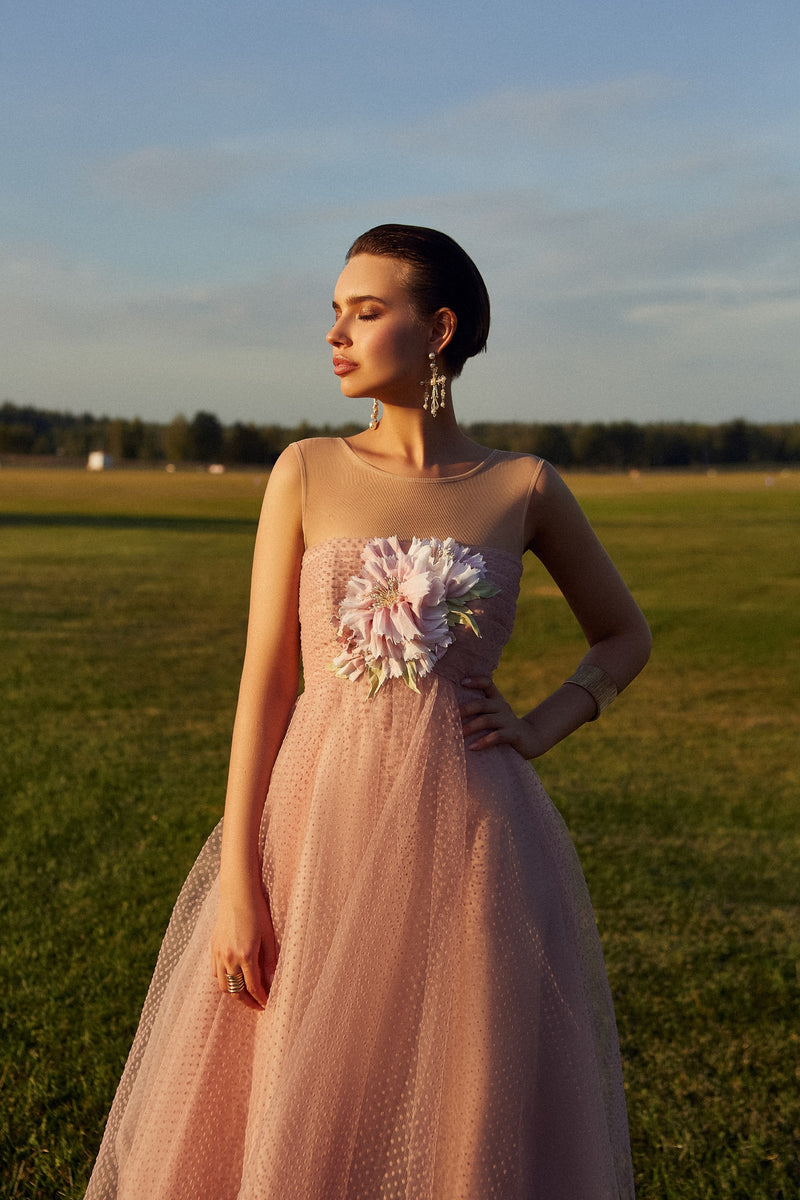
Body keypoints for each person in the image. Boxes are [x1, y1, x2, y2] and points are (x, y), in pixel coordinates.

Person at [85, 224, 651, 1199]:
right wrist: (239, 883)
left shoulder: (521, 489)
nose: (334, 334)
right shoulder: (305, 471)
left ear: (436, 330)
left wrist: (542, 725)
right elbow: (267, 680)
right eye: (334, 312)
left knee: (456, 1087)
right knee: (300, 1083)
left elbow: (622, 636)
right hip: (318, 829)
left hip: (472, 837)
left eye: (364, 310)